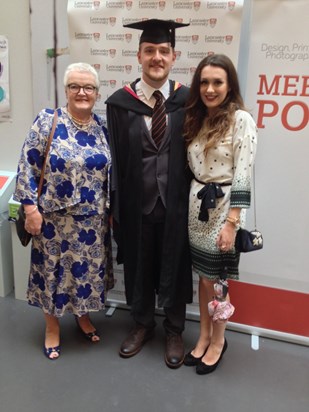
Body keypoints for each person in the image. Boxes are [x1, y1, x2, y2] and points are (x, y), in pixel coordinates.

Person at [106, 19, 193, 369]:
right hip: (135, 204)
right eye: (150, 51)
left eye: (163, 51)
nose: (156, 57)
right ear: (139, 56)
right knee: (140, 266)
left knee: (175, 263)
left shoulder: (188, 101)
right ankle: (142, 324)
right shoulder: (119, 103)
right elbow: (114, 156)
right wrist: (115, 206)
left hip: (176, 204)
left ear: (174, 56)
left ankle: (174, 330)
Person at [14, 62, 114, 360]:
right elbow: (27, 166)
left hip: (93, 222)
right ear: (66, 90)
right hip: (53, 221)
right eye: (75, 86)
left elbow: (111, 174)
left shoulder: (102, 128)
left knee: (85, 276)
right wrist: (30, 208)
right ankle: (52, 327)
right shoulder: (47, 121)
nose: (82, 92)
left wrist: (111, 210)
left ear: (97, 93)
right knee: (52, 274)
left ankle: (82, 317)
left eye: (89, 87)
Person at [183, 54, 257, 374]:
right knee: (203, 279)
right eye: (204, 82)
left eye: (217, 82)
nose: (210, 89)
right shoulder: (197, 117)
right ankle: (202, 336)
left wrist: (231, 224)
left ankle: (218, 341)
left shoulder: (241, 119)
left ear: (230, 85)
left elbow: (243, 174)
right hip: (197, 206)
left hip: (224, 209)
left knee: (219, 282)